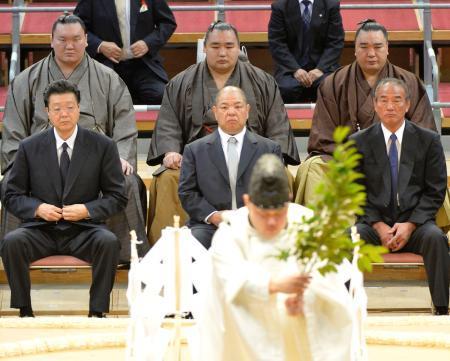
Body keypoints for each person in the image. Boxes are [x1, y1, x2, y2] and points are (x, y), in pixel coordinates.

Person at [0, 14, 148, 262]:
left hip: (97, 166)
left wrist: (120, 157)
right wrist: (22, 166)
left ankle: (129, 256)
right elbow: (14, 131)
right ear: (51, 41)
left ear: (87, 40)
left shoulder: (109, 79)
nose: (70, 45)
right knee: (11, 184)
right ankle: (13, 256)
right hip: (41, 166)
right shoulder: (26, 81)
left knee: (127, 183)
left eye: (76, 39)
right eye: (63, 40)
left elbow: (124, 124)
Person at [147, 21, 299, 244]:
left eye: (229, 46)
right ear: (205, 48)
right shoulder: (181, 82)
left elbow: (277, 125)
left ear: (239, 48)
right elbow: (169, 124)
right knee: (168, 177)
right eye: (215, 46)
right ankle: (167, 252)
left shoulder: (263, 81)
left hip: (250, 156)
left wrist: (273, 158)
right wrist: (171, 152)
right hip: (197, 161)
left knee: (281, 174)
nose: (222, 52)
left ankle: (274, 241)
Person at [195, 154, 355, 360]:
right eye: (263, 215)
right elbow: (230, 279)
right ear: (248, 202)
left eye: (278, 214)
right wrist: (273, 285)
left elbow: (328, 278)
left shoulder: (308, 224)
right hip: (243, 328)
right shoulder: (231, 231)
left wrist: (306, 299)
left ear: (288, 202)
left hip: (297, 322)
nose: (271, 223)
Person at [0, 80, 128, 318]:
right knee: (12, 241)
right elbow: (11, 194)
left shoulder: (103, 146)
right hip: (41, 230)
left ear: (79, 108)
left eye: (70, 107)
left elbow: (117, 197)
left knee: (109, 242)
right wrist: (37, 208)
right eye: (57, 108)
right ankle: (25, 311)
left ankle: (97, 312)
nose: (64, 113)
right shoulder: (29, 147)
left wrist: (87, 210)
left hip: (84, 230)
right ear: (47, 112)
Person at [294, 19, 437, 207]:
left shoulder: (409, 82)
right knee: (311, 168)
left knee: (430, 167)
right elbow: (323, 138)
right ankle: (326, 232)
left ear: (387, 48)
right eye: (364, 47)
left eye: (378, 47)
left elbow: (422, 135)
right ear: (355, 49)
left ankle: (420, 228)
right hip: (346, 163)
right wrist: (358, 161)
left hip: (396, 159)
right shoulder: (334, 83)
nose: (371, 54)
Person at [351, 78, 449, 316]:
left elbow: (435, 189)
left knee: (436, 238)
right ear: (375, 105)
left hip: (415, 225)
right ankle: (344, 306)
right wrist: (378, 225)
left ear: (407, 105)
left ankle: (441, 307)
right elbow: (355, 190)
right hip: (373, 225)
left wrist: (410, 224)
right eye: (383, 100)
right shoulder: (358, 142)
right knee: (347, 239)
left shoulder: (428, 140)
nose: (390, 106)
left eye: (397, 100)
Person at [178, 86, 283, 249]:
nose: (231, 112)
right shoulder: (194, 150)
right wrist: (213, 216)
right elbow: (187, 192)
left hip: (255, 224)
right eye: (225, 107)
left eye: (238, 106)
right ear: (215, 111)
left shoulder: (269, 149)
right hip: (209, 226)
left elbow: (276, 192)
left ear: (247, 110)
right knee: (191, 242)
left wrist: (251, 217)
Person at [75, 0, 176, 104]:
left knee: (161, 95)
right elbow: (77, 27)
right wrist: (100, 45)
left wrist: (148, 43)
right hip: (105, 64)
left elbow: (167, 23)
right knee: (99, 98)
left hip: (144, 65)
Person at [268, 0, 344, 103]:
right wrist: (295, 69)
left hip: (323, 68)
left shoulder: (331, 5)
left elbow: (336, 42)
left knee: (330, 87)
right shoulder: (280, 7)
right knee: (286, 89)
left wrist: (320, 69)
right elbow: (277, 44)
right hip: (290, 70)